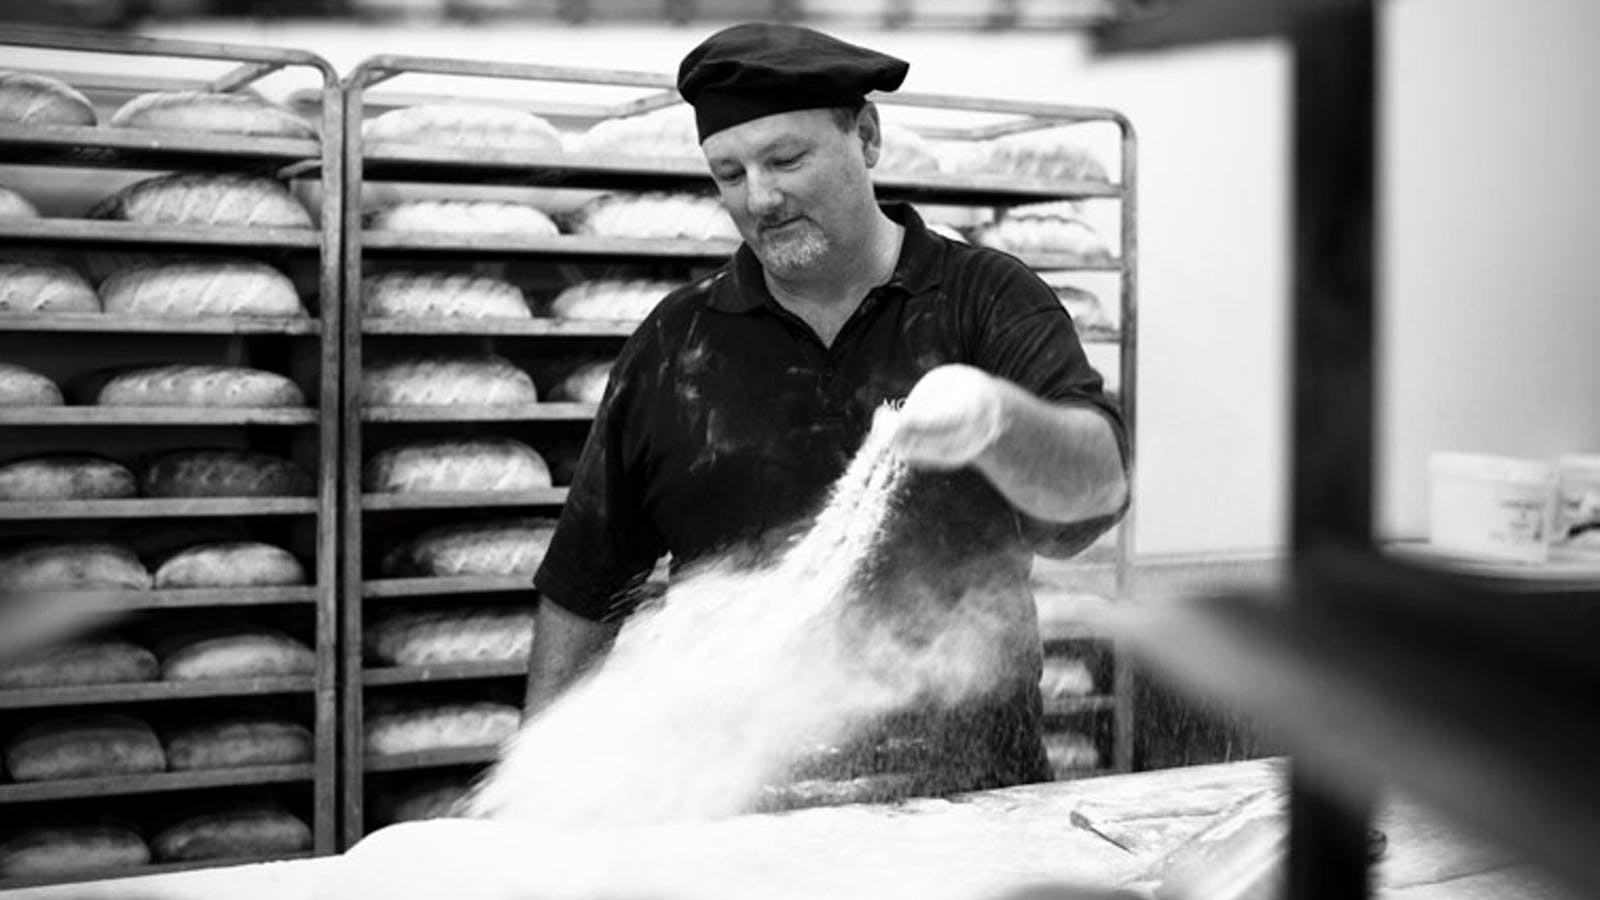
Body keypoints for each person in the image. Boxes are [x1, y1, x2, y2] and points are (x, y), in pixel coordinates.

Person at [524, 22, 1129, 805]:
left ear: (866, 137)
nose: (760, 198)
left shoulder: (985, 301)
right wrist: (536, 788)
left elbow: (1094, 493)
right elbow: (583, 583)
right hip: (738, 816)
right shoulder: (676, 345)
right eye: (729, 173)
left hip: (971, 808)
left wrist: (998, 420)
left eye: (787, 159)